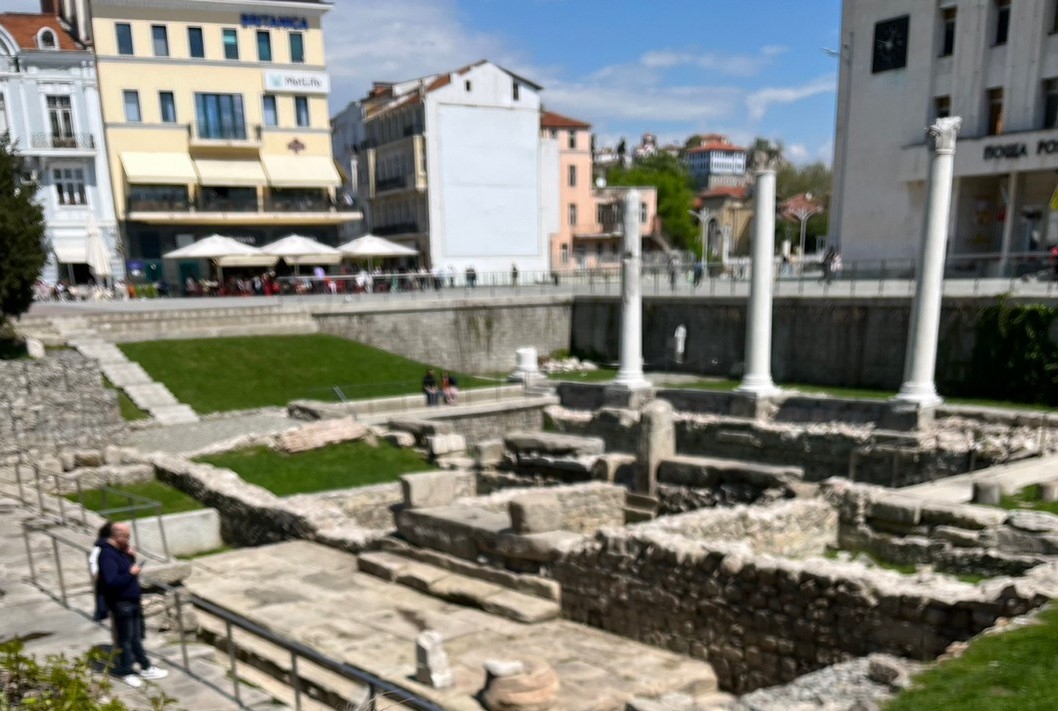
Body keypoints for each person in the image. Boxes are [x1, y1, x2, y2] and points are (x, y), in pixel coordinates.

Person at [98, 522, 168, 688]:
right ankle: (126, 671)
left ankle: (145, 666)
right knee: (125, 640)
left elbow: (125, 569)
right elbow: (112, 581)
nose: (129, 540)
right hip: (121, 603)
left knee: (135, 637)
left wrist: (131, 557)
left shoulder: (120, 552)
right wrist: (131, 573)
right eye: (127, 537)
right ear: (117, 537)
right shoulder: (107, 555)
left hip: (132, 601)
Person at [88, 521, 113, 624]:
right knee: (103, 596)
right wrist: (96, 573)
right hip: (103, 576)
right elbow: (93, 560)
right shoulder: (101, 546)